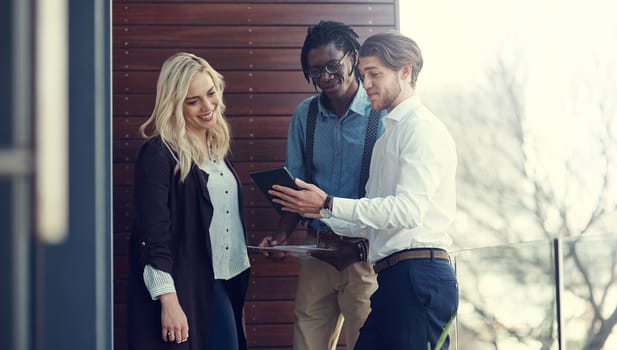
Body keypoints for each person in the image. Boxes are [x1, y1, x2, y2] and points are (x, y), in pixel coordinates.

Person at [269, 31, 459, 349]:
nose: (367, 83)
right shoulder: (389, 136)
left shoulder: (421, 129)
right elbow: (370, 218)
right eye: (364, 74)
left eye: (375, 74)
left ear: (406, 71)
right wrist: (319, 209)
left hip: (418, 275)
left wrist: (329, 201)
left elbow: (408, 211)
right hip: (393, 277)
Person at [257, 20, 383, 350]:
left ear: (352, 58)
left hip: (365, 257)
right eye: (315, 72)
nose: (325, 77)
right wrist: (282, 237)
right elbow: (298, 186)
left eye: (332, 66)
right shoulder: (306, 115)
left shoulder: (380, 115)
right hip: (317, 252)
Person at [127, 52, 250, 349]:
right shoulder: (159, 154)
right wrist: (168, 300)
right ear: (174, 104)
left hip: (227, 280)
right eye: (193, 101)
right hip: (185, 286)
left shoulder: (217, 147)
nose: (208, 107)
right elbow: (152, 233)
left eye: (210, 94)